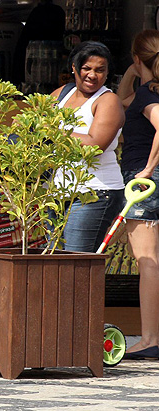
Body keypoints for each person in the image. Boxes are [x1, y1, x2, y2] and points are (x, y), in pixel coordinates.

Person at [51, 41, 124, 253]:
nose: (93, 75)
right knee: (52, 258)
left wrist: (54, 132)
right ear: (73, 67)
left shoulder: (108, 100)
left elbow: (94, 144)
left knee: (75, 262)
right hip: (57, 193)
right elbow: (30, 122)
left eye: (100, 70)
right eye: (86, 68)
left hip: (94, 192)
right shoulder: (61, 94)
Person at [116, 29, 159, 359]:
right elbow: (120, 103)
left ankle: (148, 338)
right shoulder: (146, 92)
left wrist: (146, 168)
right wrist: (132, 72)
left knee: (147, 261)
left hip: (145, 182)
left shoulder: (149, 95)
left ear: (136, 57)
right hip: (149, 179)